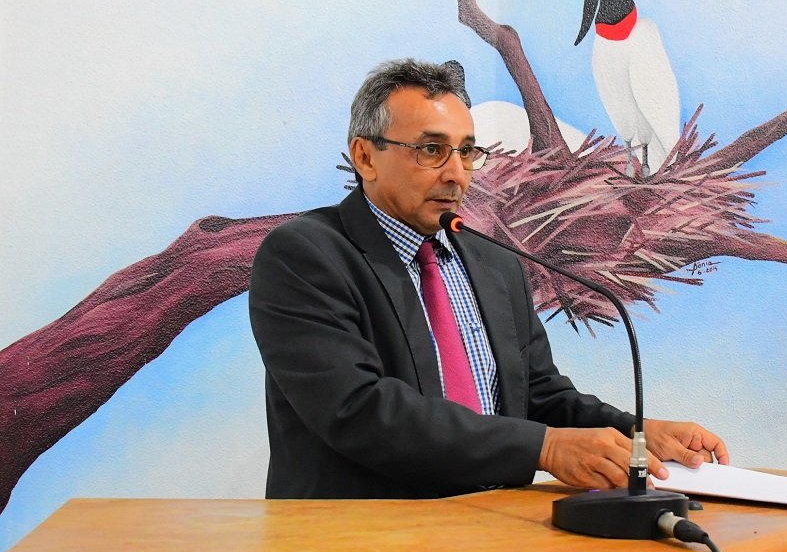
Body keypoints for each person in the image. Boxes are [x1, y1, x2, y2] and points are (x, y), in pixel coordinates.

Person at [249, 58, 728, 499]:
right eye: (431, 150)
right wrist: (544, 449)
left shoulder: (493, 263)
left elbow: (537, 396)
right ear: (365, 156)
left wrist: (636, 435)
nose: (456, 174)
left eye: (466, 152)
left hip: (496, 527)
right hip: (363, 541)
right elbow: (359, 411)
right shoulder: (305, 256)